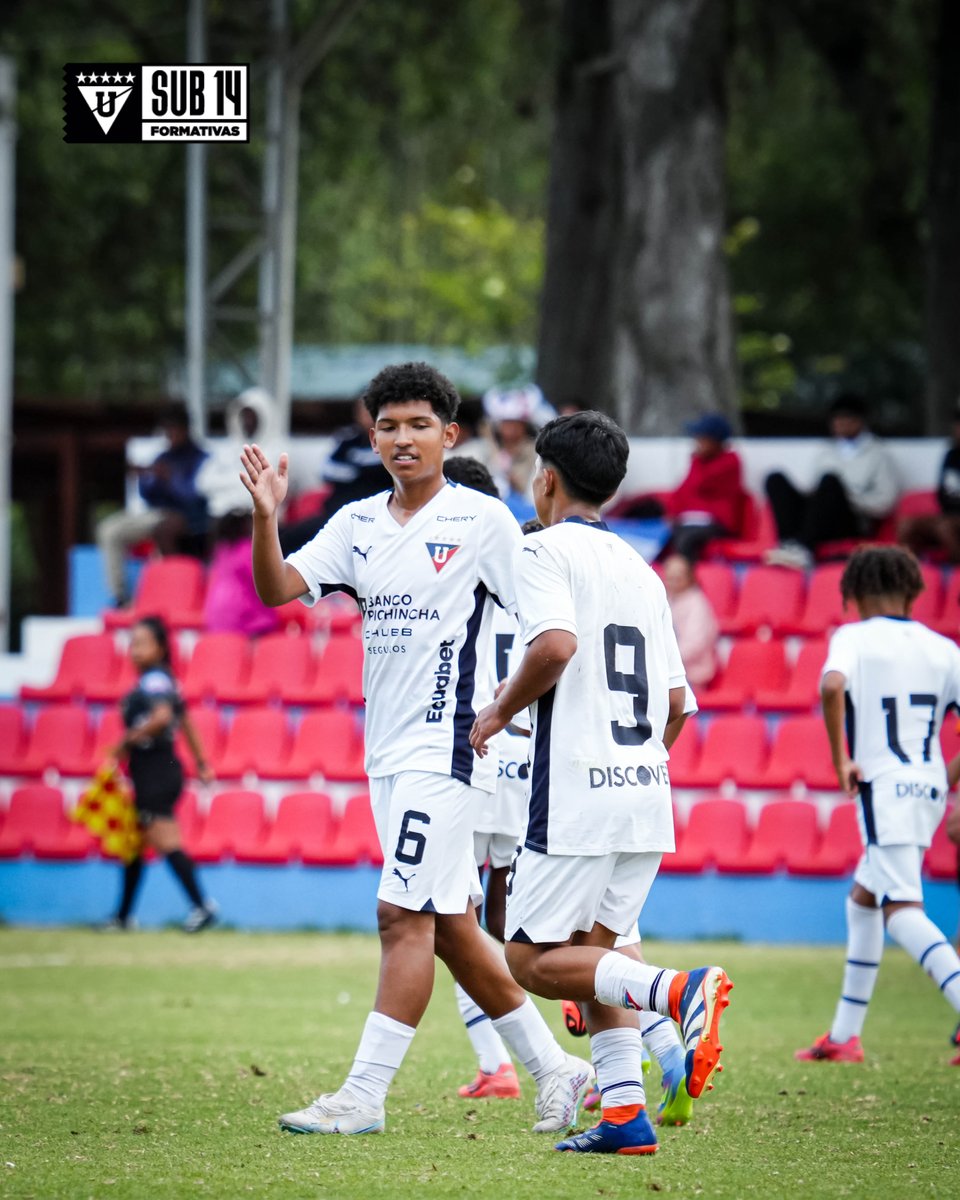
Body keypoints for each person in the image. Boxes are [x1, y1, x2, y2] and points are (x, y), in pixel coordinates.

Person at [240, 361, 592, 1137]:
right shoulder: (357, 523)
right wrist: (266, 517)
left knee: (400, 917)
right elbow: (276, 590)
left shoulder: (484, 522)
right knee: (452, 929)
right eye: (389, 426)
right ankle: (557, 1070)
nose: (403, 439)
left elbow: (552, 635)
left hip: (449, 750)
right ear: (373, 437)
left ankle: (363, 1096)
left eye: (418, 425)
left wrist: (502, 708)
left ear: (449, 436)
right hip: (388, 753)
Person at [469, 410, 733, 1155]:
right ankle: (625, 1116)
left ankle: (680, 991)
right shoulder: (643, 570)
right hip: (646, 789)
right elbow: (678, 703)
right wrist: (640, 765)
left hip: (577, 794)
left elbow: (555, 645)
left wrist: (498, 709)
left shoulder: (543, 551)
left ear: (544, 477)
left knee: (529, 959)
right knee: (599, 960)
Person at [794, 546, 960, 1065]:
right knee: (865, 898)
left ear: (854, 595)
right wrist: (943, 778)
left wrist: (842, 760)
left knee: (901, 909)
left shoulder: (855, 638)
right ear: (913, 591)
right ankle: (845, 1036)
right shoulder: (944, 648)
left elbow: (832, 685)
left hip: (884, 786)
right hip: (928, 786)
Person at [104, 616, 217, 932]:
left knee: (166, 840)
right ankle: (123, 916)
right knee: (137, 844)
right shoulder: (164, 680)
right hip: (157, 771)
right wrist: (202, 762)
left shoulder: (154, 681)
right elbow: (186, 722)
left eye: (142, 643)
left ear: (161, 647)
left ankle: (202, 905)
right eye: (132, 643)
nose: (135, 650)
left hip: (156, 771)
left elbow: (163, 716)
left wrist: (125, 741)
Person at [766, 394, 899, 570]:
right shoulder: (826, 451)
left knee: (830, 481)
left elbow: (885, 502)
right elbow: (815, 488)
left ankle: (803, 548)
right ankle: (789, 545)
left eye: (846, 418)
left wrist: (846, 496)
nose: (839, 423)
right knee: (775, 479)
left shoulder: (878, 454)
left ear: (860, 421)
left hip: (851, 519)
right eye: (836, 419)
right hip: (821, 516)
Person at [96, 405, 208, 608]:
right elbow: (147, 495)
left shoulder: (199, 458)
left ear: (185, 429)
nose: (170, 435)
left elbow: (195, 496)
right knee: (108, 529)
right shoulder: (163, 457)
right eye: (167, 430)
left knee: (163, 530)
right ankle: (121, 598)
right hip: (155, 513)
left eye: (173, 429)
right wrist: (146, 476)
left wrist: (169, 479)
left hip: (188, 517)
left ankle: (178, 593)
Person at [279, 396, 391, 557]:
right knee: (286, 538)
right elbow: (327, 470)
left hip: (369, 516)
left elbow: (379, 469)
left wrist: (355, 465)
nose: (365, 414)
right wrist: (359, 469)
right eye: (361, 409)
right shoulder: (348, 437)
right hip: (336, 511)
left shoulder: (391, 440)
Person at [898, 401, 960, 563]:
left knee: (945, 528)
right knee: (908, 526)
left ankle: (955, 576)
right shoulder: (952, 455)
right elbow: (943, 493)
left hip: (951, 520)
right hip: (949, 515)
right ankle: (912, 573)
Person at [661, 554, 720, 688]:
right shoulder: (666, 599)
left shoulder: (697, 603)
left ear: (689, 577)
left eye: (678, 578)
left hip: (690, 677)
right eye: (670, 578)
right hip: (666, 672)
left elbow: (694, 644)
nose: (673, 582)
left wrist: (663, 661)